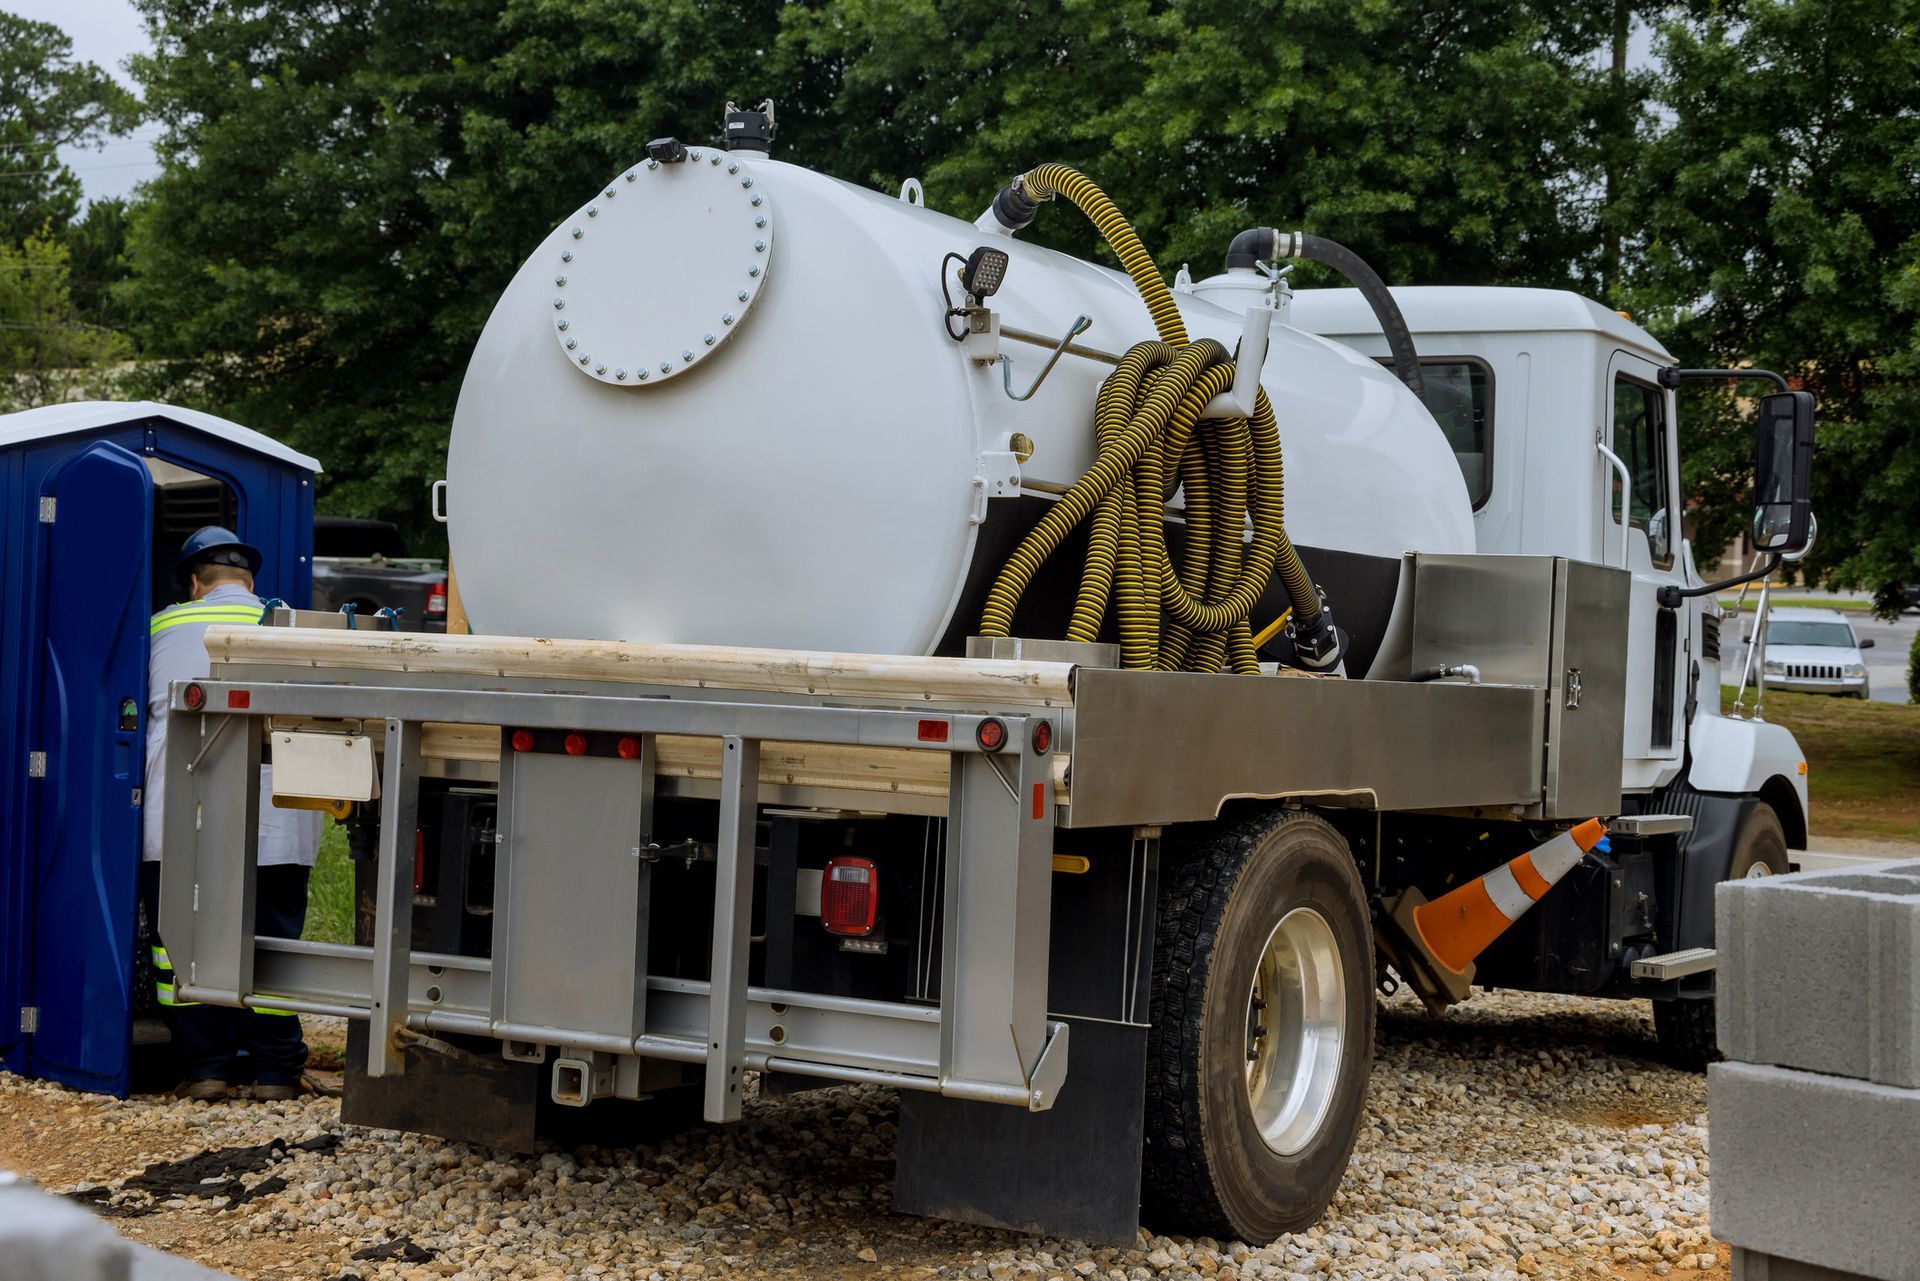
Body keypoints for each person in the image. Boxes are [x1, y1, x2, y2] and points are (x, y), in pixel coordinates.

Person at [141, 526, 322, 1102]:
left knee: (180, 946)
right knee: (272, 941)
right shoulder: (289, 625)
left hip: (180, 815)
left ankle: (206, 1070)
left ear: (195, 582)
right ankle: (274, 1072)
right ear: (249, 582)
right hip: (277, 818)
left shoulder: (160, 626)